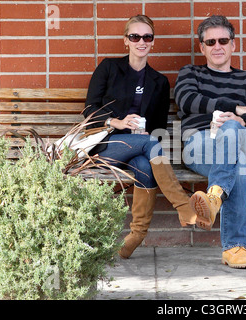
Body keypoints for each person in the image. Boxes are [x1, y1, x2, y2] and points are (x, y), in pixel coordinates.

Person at [83, 15, 196, 259]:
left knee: (145, 164)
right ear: (126, 40)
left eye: (147, 37)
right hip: (105, 145)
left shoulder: (159, 81)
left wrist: (146, 133)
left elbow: (158, 129)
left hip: (139, 147)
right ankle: (183, 205)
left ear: (153, 42)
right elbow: (89, 110)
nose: (141, 41)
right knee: (148, 144)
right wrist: (117, 122)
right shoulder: (109, 68)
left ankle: (135, 236)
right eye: (135, 36)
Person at [174, 15, 246, 269]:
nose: (217, 46)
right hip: (199, 145)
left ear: (233, 45)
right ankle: (234, 247)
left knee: (233, 138)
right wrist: (237, 110)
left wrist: (237, 121)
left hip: (240, 144)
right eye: (211, 41)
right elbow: (187, 101)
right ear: (202, 47)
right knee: (237, 167)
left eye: (223, 40)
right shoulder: (190, 73)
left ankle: (214, 197)